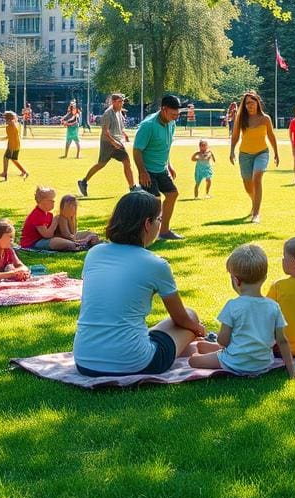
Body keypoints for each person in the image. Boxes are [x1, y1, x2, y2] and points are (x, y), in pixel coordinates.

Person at [73, 191, 206, 377]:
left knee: (144, 330)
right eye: (159, 220)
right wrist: (199, 329)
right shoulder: (155, 264)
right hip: (134, 362)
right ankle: (203, 344)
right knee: (191, 316)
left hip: (84, 360)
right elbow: (181, 318)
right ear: (147, 224)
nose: (160, 225)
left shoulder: (95, 253)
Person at [188, 244, 295, 378]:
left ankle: (204, 352)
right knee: (202, 346)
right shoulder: (273, 306)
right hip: (262, 363)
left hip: (235, 362)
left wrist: (222, 338)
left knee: (193, 359)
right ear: (264, 278)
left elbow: (223, 342)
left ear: (236, 281)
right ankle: (207, 348)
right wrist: (292, 370)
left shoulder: (232, 306)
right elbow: (282, 341)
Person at [132, 94, 183, 240]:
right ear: (164, 110)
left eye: (177, 114)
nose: (175, 117)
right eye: (173, 114)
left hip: (161, 169)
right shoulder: (148, 126)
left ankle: (164, 231)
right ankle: (146, 234)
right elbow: (137, 150)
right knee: (154, 201)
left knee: (172, 194)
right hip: (148, 170)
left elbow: (165, 147)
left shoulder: (171, 123)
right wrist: (142, 172)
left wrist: (169, 165)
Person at [229, 91, 279, 223]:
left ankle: (256, 214)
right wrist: (231, 151)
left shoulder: (265, 119)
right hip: (245, 155)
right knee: (247, 184)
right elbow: (235, 136)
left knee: (257, 178)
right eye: (247, 104)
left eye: (252, 102)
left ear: (257, 103)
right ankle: (253, 201)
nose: (249, 106)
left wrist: (276, 153)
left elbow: (271, 136)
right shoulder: (241, 119)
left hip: (262, 153)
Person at [77, 93, 134, 196]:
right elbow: (105, 131)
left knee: (127, 161)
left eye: (122, 102)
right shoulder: (108, 114)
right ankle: (83, 181)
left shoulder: (119, 112)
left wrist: (124, 134)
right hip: (108, 143)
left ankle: (132, 187)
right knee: (101, 164)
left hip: (117, 142)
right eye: (119, 102)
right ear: (113, 102)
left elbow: (119, 127)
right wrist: (113, 142)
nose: (121, 104)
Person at [20, 186, 82, 251]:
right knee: (62, 242)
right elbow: (47, 235)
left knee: (61, 240)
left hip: (43, 240)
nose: (53, 202)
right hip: (32, 243)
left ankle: (75, 244)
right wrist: (55, 221)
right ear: (43, 201)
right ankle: (75, 245)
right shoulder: (37, 215)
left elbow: (53, 233)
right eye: (51, 200)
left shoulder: (49, 215)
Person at [0, 111, 29, 180]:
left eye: (5, 117)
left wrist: (12, 117)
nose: (4, 118)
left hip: (12, 145)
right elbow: (11, 135)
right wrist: (3, 138)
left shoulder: (11, 124)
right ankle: (24, 172)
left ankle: (4, 173)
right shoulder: (13, 124)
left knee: (6, 158)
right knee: (14, 159)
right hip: (16, 144)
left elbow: (12, 134)